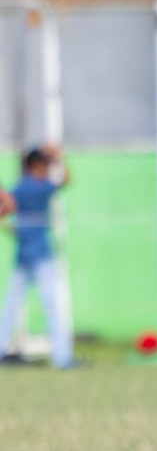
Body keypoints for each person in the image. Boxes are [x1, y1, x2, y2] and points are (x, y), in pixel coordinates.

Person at [0, 145, 76, 369]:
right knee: (52, 306)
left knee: (11, 306)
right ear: (38, 165)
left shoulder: (19, 188)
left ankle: (1, 350)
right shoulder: (41, 188)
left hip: (22, 254)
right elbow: (66, 179)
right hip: (41, 255)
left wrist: (13, 231)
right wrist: (59, 157)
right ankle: (62, 358)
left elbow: (6, 210)